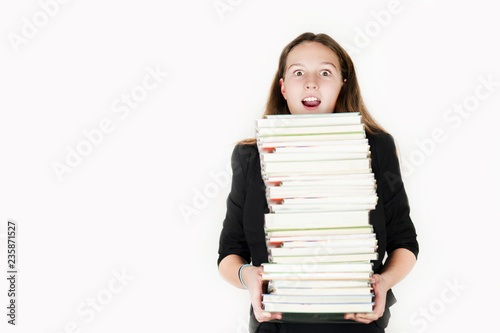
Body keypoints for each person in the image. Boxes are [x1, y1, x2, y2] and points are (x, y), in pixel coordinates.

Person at [217, 32, 419, 333]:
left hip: (357, 323)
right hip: (277, 325)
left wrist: (384, 281)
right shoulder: (249, 157)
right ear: (283, 87)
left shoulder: (377, 148)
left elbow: (404, 242)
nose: (311, 82)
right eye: (298, 72)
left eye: (325, 72)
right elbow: (229, 253)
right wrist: (249, 277)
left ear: (342, 84)